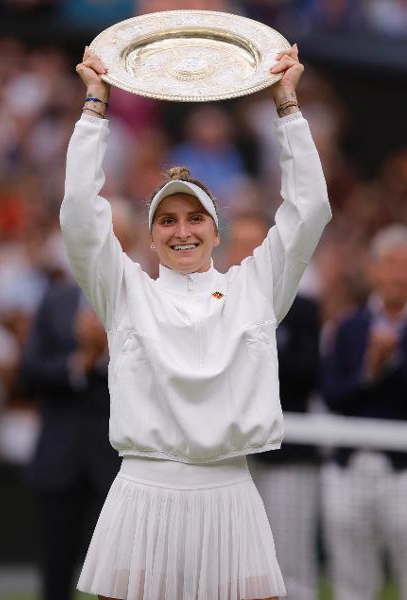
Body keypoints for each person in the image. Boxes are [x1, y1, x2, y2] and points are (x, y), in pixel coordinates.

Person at [59, 43, 331, 600]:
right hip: (143, 491)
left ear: (215, 229)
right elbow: (79, 217)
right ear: (150, 234)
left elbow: (309, 211)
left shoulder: (256, 287)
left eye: (194, 218)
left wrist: (287, 107)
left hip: (230, 493)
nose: (181, 230)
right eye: (166, 219)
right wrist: (95, 107)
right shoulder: (125, 290)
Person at [225, 212, 322, 600]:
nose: (246, 255)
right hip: (231, 455)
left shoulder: (302, 306)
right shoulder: (213, 301)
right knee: (233, 565)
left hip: (287, 455)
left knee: (292, 564)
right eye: (239, 246)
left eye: (255, 246)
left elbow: (306, 374)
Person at [321, 223, 407, 600]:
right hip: (350, 467)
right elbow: (333, 395)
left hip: (402, 469)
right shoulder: (349, 327)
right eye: (389, 264)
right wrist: (370, 371)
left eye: (404, 265)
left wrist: (390, 363)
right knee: (352, 581)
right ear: (373, 270)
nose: (397, 275)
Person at [21, 277, 121, 600]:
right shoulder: (55, 302)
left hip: (118, 463)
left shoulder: (139, 298)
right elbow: (30, 371)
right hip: (59, 458)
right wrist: (82, 362)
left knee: (120, 572)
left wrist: (108, 353)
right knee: (56, 567)